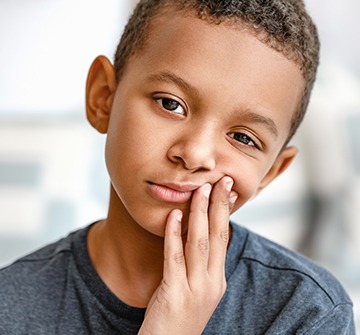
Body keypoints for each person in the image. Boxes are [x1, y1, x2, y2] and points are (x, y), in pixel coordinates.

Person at [0, 0, 355, 333]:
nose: (196, 154)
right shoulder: (10, 306)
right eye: (170, 104)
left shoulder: (306, 312)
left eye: (244, 138)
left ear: (271, 173)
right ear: (103, 97)